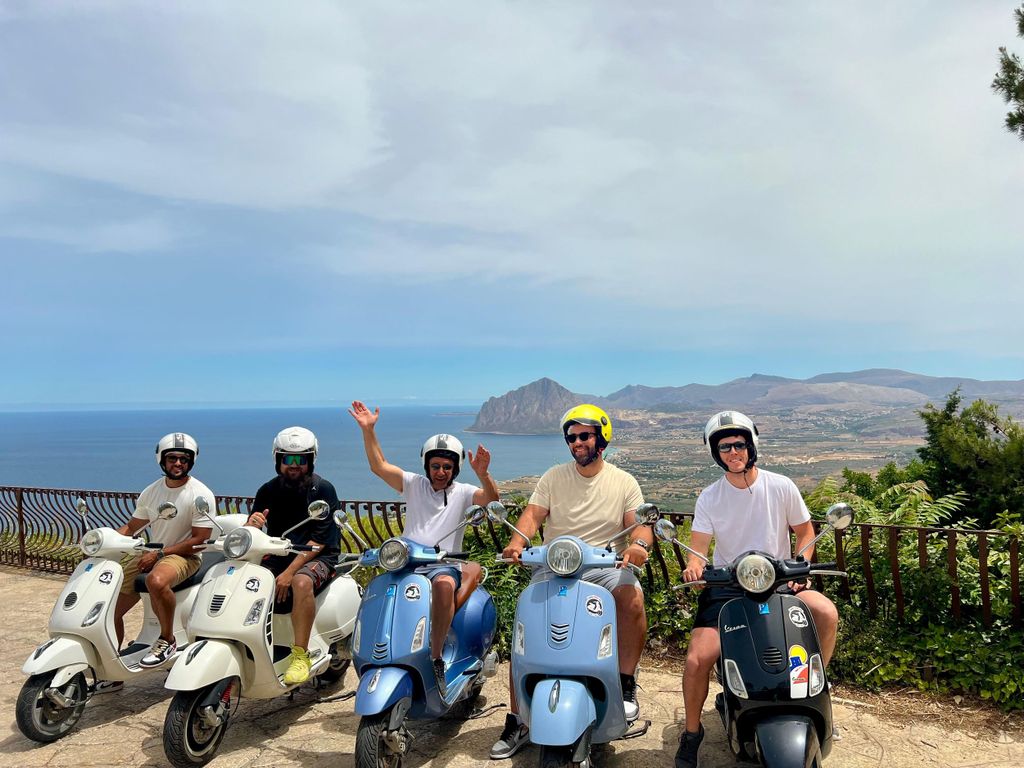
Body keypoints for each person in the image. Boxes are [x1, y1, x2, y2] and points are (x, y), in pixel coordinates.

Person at [674, 410, 840, 768]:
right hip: (729, 586)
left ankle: (815, 692)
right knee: (697, 658)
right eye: (724, 448)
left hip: (778, 579)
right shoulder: (710, 497)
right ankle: (691, 734)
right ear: (715, 454)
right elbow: (698, 548)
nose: (733, 452)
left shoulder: (780, 486)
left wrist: (800, 564)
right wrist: (694, 566)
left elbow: (806, 531)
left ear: (751, 446)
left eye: (738, 444)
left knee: (825, 613)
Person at [489, 404, 652, 760]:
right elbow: (533, 514)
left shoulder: (623, 481)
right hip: (555, 564)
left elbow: (638, 522)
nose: (577, 442)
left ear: (602, 438)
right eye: (572, 437)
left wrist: (638, 545)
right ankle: (518, 717)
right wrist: (518, 542)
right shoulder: (553, 477)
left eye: (584, 435)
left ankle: (625, 684)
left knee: (631, 597)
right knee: (525, 628)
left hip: (603, 565)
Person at [348, 400, 500, 697]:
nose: (440, 472)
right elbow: (378, 466)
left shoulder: (464, 492)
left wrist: (483, 473)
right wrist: (368, 430)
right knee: (379, 589)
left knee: (444, 585)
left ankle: (436, 657)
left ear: (455, 469)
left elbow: (491, 500)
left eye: (446, 467)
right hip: (407, 561)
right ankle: (378, 651)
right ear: (426, 466)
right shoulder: (413, 484)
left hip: (444, 563)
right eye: (435, 466)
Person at [111, 433, 215, 676]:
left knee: (155, 580)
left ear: (191, 462)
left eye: (183, 459)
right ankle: (112, 665)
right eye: (172, 458)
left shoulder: (199, 494)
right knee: (110, 605)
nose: (178, 463)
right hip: (153, 553)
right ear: (162, 460)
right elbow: (131, 527)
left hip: (186, 555)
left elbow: (200, 540)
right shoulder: (151, 492)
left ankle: (167, 640)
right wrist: (102, 544)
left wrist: (159, 554)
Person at [246, 426, 341, 685]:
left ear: (311, 460)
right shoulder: (268, 490)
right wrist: (251, 525)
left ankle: (301, 655)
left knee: (301, 581)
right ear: (278, 460)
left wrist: (289, 572)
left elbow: (319, 541)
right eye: (288, 459)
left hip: (320, 556)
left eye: (302, 459)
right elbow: (254, 529)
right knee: (245, 579)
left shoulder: (323, 490)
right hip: (279, 553)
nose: (295, 465)